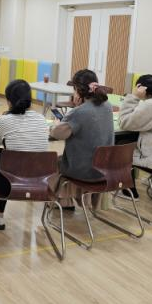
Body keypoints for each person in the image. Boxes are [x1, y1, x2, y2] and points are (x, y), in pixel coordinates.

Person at [0, 80, 49, 229]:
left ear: (8, 101)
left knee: (0, 155)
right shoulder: (41, 119)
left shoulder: (4, 121)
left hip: (11, 182)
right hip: (40, 181)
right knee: (4, 156)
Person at [49, 69, 114, 208]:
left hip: (84, 170)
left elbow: (56, 133)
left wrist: (71, 113)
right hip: (105, 168)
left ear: (78, 90)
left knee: (54, 162)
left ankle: (63, 202)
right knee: (65, 159)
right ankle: (73, 201)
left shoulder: (80, 112)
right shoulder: (107, 106)